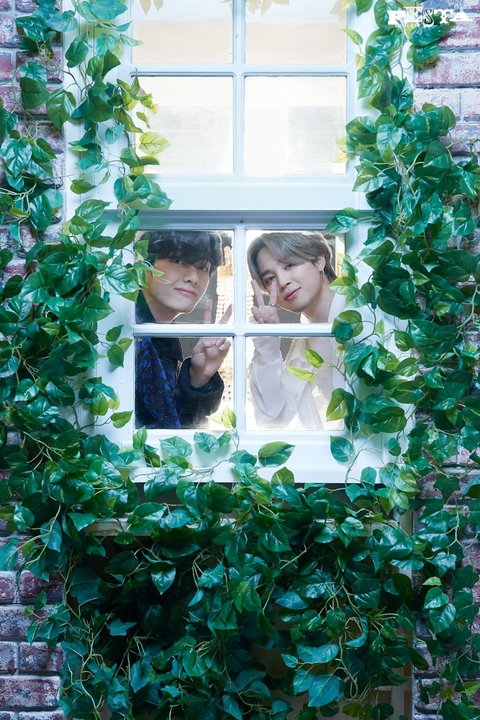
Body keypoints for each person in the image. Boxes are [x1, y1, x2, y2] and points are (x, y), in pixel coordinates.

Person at [247, 231, 344, 430]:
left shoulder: (363, 312)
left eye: (289, 265)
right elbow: (272, 419)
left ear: (319, 261)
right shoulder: (303, 343)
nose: (282, 282)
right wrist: (267, 347)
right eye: (270, 279)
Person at [135, 230, 231, 429]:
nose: (193, 277)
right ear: (145, 263)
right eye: (179, 261)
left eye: (203, 268)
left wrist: (198, 377)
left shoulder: (165, 335)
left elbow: (175, 426)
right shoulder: (126, 326)